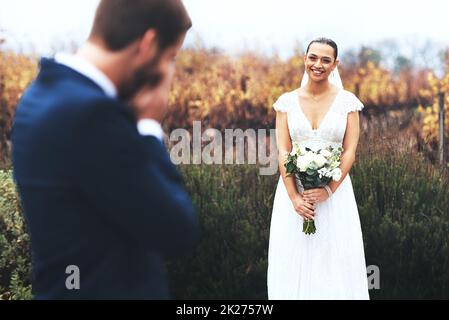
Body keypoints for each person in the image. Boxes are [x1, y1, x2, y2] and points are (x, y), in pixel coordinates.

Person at [12, 0, 199, 299]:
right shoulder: (92, 115)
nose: (169, 71)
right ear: (148, 44)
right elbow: (176, 230)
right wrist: (149, 127)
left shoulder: (41, 93)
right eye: (171, 57)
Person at [267, 38, 369, 299]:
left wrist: (328, 190)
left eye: (326, 60)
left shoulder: (348, 103)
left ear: (335, 64)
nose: (318, 64)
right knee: (291, 262)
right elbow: (283, 151)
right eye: (313, 57)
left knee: (335, 264)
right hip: (294, 197)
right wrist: (294, 197)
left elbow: (349, 151)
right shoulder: (286, 103)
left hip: (335, 196)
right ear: (305, 59)